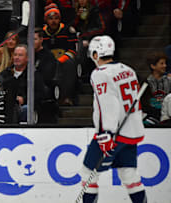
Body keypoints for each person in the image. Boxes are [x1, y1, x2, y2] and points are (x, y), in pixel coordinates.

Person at [79, 35, 147, 203]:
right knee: (129, 175)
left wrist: (105, 134)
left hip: (112, 133)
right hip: (131, 132)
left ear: (96, 54)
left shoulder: (100, 74)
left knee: (88, 173)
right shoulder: (128, 69)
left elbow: (107, 104)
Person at [42, 3, 78, 105]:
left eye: (56, 18)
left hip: (64, 60)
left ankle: (66, 97)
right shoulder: (41, 33)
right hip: (47, 60)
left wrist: (60, 60)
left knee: (69, 65)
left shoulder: (68, 30)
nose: (53, 21)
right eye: (51, 18)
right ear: (46, 20)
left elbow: (73, 50)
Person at [0, 44, 45, 123]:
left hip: (24, 108)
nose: (16, 58)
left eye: (20, 55)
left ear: (27, 58)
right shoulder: (5, 74)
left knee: (26, 109)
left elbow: (40, 94)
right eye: (15, 55)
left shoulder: (34, 75)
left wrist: (24, 99)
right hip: (6, 106)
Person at [34, 28, 59, 123]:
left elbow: (47, 77)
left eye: (35, 39)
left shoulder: (48, 56)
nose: (31, 42)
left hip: (41, 89)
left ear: (41, 39)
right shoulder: (27, 54)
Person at [141, 51, 171, 126]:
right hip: (151, 117)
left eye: (165, 63)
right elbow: (144, 104)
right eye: (162, 63)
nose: (165, 66)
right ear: (153, 66)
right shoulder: (145, 83)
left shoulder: (169, 81)